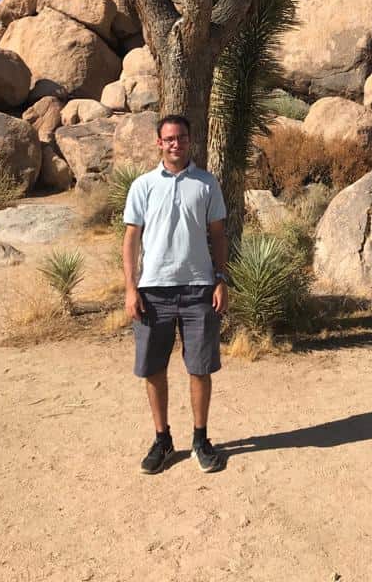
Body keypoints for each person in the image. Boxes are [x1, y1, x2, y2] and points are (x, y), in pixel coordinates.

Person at [122, 114, 228, 474]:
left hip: (199, 288)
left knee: (199, 369)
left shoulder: (206, 183)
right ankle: (162, 438)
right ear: (159, 143)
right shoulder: (143, 185)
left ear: (189, 140)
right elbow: (131, 239)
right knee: (154, 368)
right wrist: (130, 288)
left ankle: (200, 439)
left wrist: (220, 279)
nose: (175, 144)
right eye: (169, 139)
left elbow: (218, 235)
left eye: (181, 137)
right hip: (153, 291)